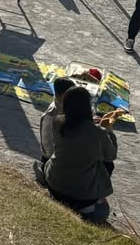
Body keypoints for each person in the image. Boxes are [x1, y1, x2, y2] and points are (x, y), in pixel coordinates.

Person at [44, 86, 119, 224]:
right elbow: (111, 154)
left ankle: (73, 202)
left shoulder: (58, 122)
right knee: (107, 165)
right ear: (87, 107)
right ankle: (88, 205)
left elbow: (75, 137)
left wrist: (92, 124)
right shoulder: (98, 133)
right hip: (81, 194)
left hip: (53, 182)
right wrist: (109, 131)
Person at [36, 78, 78, 177]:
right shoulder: (50, 117)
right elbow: (48, 149)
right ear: (61, 95)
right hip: (53, 163)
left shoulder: (68, 106)